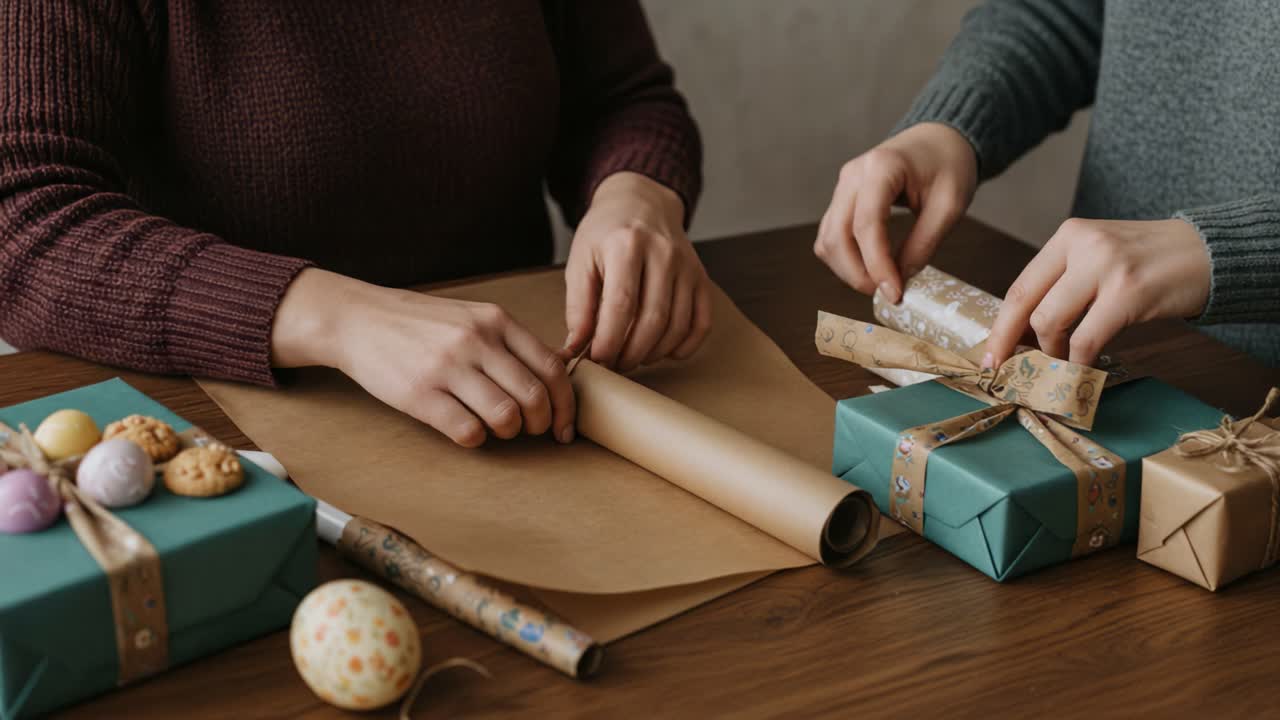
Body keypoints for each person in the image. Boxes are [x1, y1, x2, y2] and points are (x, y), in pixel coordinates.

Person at [0, 1, 710, 448]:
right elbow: (22, 219)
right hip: (232, 442)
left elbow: (625, 99)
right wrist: (337, 317)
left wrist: (637, 195)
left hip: (531, 412)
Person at [814, 0, 1280, 369]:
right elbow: (1063, 11)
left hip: (1255, 404)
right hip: (1095, 350)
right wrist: (952, 124)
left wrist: (1233, 251)